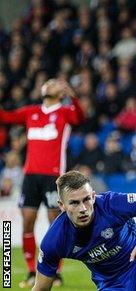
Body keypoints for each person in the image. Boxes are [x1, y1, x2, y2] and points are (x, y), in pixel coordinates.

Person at [32, 170, 136, 291]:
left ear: (93, 196)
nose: (83, 209)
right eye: (74, 203)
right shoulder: (55, 239)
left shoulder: (113, 204)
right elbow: (41, 287)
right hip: (111, 283)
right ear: (62, 205)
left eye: (86, 199)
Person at [0, 79, 85, 287]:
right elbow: (5, 117)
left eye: (54, 83)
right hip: (30, 176)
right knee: (27, 220)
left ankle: (55, 273)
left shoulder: (65, 113)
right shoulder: (31, 112)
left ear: (61, 92)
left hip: (53, 176)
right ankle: (31, 271)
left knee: (55, 223)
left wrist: (73, 96)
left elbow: (80, 117)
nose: (48, 84)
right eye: (47, 83)